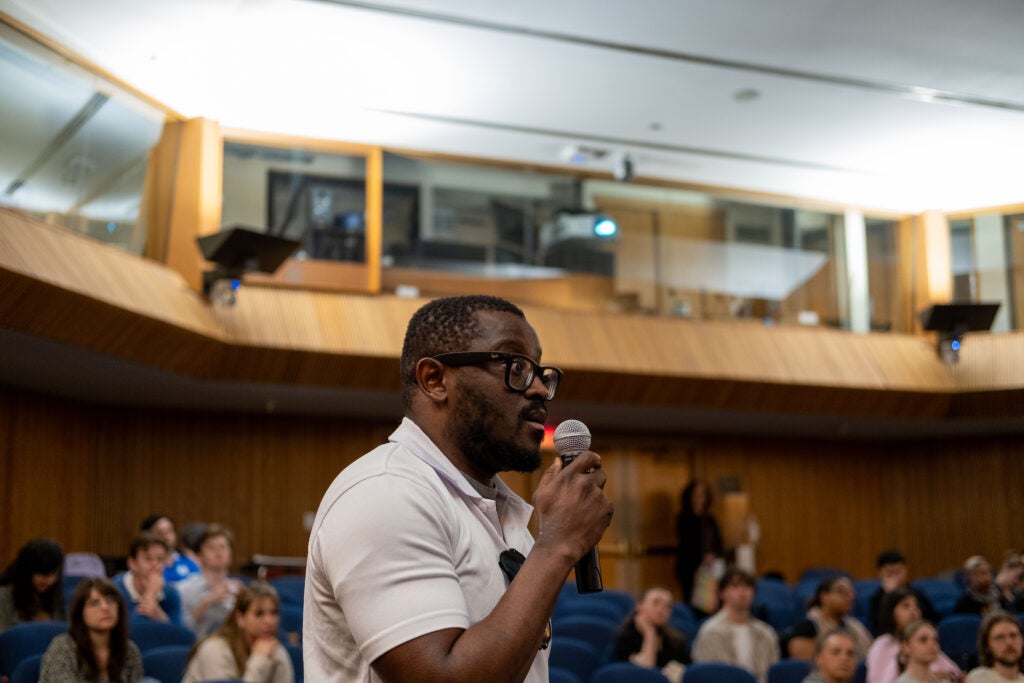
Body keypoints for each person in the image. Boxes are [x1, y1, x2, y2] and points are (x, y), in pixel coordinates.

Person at [304, 295, 614, 683]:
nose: (537, 388)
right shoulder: (387, 493)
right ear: (435, 380)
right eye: (514, 365)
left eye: (539, 371)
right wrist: (557, 546)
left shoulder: (495, 507)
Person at [182, 581, 293, 683]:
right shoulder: (214, 650)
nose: (269, 621)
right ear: (240, 619)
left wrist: (279, 655)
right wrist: (259, 660)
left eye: (274, 613)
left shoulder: (272, 649)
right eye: (259, 614)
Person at [39, 577, 144, 682]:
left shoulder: (130, 650)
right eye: (94, 603)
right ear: (80, 613)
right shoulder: (63, 647)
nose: (105, 607)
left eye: (110, 600)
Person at [692, 568, 779, 683]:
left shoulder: (766, 633)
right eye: (735, 586)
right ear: (722, 593)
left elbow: (773, 674)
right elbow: (710, 676)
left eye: (748, 587)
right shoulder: (710, 632)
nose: (742, 592)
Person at [867, 588, 961, 683]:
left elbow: (954, 673)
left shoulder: (929, 640)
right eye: (906, 606)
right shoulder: (883, 645)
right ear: (891, 613)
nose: (913, 610)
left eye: (916, 606)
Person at [611, 586, 690, 683]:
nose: (662, 609)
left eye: (668, 606)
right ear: (640, 606)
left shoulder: (677, 640)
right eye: (656, 602)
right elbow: (646, 674)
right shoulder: (626, 638)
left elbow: (688, 673)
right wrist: (649, 634)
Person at [177, 524, 243, 637]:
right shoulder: (184, 589)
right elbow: (181, 630)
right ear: (200, 555)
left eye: (223, 547)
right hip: (199, 646)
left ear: (230, 553)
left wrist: (242, 603)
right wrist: (208, 601)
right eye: (211, 547)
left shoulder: (239, 589)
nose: (218, 552)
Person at [786, 576, 872, 660]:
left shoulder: (855, 626)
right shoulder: (807, 626)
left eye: (851, 592)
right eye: (841, 591)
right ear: (824, 596)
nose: (849, 596)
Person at [674, 479, 723, 614]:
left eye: (702, 495)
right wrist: (701, 557)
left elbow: (718, 541)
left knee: (711, 603)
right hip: (691, 567)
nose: (700, 499)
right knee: (692, 604)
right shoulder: (684, 518)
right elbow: (686, 543)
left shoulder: (710, 519)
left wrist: (713, 555)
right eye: (696, 495)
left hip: (710, 568)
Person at [113, 534, 182, 625]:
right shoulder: (115, 590)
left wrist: (159, 616)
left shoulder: (170, 593)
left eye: (160, 559)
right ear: (132, 563)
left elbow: (179, 635)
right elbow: (127, 631)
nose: (155, 565)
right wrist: (150, 594)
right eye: (148, 559)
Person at [0, 537, 65, 631]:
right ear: (27, 572)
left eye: (54, 573)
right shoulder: (4, 597)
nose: (50, 581)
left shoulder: (56, 595)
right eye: (44, 574)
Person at [869, 550, 939, 634]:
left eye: (898, 571)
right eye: (890, 572)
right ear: (880, 574)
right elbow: (878, 628)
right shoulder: (877, 599)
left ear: (906, 571)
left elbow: (933, 621)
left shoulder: (917, 594)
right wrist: (890, 596)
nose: (895, 576)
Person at [139, 513, 200, 583]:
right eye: (160, 533)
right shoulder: (145, 567)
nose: (166, 537)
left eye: (169, 531)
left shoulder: (189, 561)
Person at [966, 612, 1024, 682]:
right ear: (987, 645)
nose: (1009, 643)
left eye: (1013, 635)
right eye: (1000, 638)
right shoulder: (978, 678)